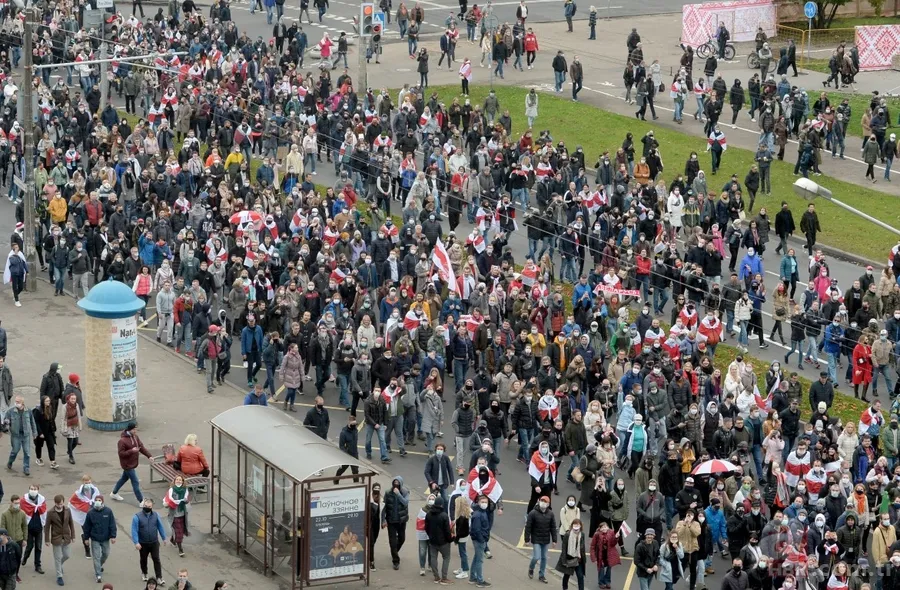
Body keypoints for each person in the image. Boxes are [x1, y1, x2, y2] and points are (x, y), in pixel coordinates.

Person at [110, 422, 152, 504]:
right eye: (134, 429)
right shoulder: (122, 441)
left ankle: (114, 493)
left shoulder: (135, 437)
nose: (135, 431)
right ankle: (141, 501)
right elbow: (121, 454)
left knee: (124, 478)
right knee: (135, 482)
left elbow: (141, 447)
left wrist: (149, 456)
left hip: (132, 463)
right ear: (129, 429)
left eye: (136, 429)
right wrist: (131, 451)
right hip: (127, 465)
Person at [130, 498, 166, 584]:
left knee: (156, 559)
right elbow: (134, 530)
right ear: (143, 505)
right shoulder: (137, 517)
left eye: (149, 506)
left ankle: (159, 577)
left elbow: (160, 527)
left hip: (154, 542)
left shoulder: (156, 515)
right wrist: (136, 542)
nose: (147, 508)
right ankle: (144, 573)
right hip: (143, 543)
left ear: (152, 506)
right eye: (145, 506)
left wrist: (164, 538)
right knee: (143, 559)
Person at [82, 495, 116, 583]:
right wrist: (86, 538)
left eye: (99, 500)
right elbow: (87, 527)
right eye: (96, 500)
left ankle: (99, 565)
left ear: (102, 501)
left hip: (105, 538)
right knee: (96, 557)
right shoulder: (90, 513)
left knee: (106, 554)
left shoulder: (108, 511)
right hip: (95, 539)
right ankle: (98, 575)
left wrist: (113, 536)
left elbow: (112, 524)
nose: (98, 501)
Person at [525, 495, 558, 583]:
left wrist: (554, 540)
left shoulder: (550, 514)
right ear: (539, 501)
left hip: (545, 539)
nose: (543, 503)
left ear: (548, 504)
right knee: (536, 557)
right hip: (536, 538)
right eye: (542, 501)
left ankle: (541, 575)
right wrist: (526, 539)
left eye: (545, 501)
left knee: (544, 558)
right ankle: (531, 568)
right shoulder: (533, 513)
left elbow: (553, 527)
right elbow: (528, 527)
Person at [45, 494, 76, 586]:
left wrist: (73, 536)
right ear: (55, 503)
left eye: (61, 504)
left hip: (66, 537)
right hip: (56, 538)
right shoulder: (50, 513)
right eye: (58, 504)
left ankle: (60, 565)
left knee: (67, 555)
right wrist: (47, 540)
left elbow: (71, 523)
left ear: (63, 502)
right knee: (57, 558)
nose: (60, 506)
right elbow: (47, 527)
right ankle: (59, 576)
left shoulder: (67, 510)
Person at [382, 476, 410, 570]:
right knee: (392, 541)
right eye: (395, 483)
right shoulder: (388, 493)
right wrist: (383, 520)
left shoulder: (405, 492)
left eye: (398, 483)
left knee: (402, 538)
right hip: (391, 520)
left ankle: (394, 551)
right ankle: (396, 561)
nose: (396, 485)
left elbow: (405, 502)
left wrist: (398, 495)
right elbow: (384, 507)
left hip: (401, 520)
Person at [424, 495, 453, 584]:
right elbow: (447, 531)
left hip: (432, 541)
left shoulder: (428, 514)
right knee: (446, 557)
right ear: (442, 504)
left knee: (433, 558)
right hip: (443, 542)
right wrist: (450, 539)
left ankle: (436, 577)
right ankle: (444, 578)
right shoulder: (444, 515)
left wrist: (430, 536)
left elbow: (426, 528)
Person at [20, 484, 47, 575]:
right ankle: (25, 557)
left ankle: (37, 565)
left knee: (38, 547)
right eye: (31, 489)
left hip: (39, 527)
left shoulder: (42, 500)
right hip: (29, 528)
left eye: (35, 489)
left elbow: (44, 513)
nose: (33, 490)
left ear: (38, 490)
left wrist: (44, 525)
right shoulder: (24, 500)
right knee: (30, 546)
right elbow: (21, 514)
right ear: (29, 489)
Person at [6, 395, 36, 475]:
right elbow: (6, 420)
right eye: (15, 401)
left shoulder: (28, 411)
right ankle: (10, 461)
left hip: (26, 435)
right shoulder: (11, 411)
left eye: (18, 402)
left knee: (27, 452)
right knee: (15, 451)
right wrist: (7, 423)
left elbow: (32, 422)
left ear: (22, 403)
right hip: (16, 435)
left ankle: (26, 467)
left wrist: (34, 433)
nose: (16, 403)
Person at [163, 476, 190, 557]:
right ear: (174, 481)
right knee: (179, 532)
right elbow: (167, 500)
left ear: (182, 481)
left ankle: (172, 539)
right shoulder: (171, 490)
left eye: (180, 480)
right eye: (177, 480)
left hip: (182, 513)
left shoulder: (185, 490)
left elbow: (187, 499)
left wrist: (185, 500)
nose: (178, 481)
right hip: (174, 515)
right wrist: (167, 504)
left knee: (180, 529)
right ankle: (180, 549)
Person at [557, 517, 586, 590]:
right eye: (575, 524)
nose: (576, 526)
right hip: (569, 558)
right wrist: (564, 560)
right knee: (567, 575)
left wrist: (583, 558)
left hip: (578, 559)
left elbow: (582, 547)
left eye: (578, 524)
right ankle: (565, 587)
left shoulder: (582, 534)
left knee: (580, 576)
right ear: (572, 525)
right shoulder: (567, 534)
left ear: (580, 526)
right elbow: (564, 548)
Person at [589, 520, 620, 590]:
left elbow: (613, 543)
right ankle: (601, 582)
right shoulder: (596, 535)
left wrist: (616, 537)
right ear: (599, 529)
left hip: (609, 555)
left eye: (605, 527)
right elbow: (592, 546)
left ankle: (607, 582)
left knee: (609, 569)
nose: (604, 528)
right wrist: (593, 558)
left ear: (608, 527)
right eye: (602, 527)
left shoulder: (611, 532)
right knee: (601, 569)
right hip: (600, 555)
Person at [469, 494, 492, 587]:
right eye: (482, 502)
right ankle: (480, 580)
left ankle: (472, 577)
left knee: (476, 558)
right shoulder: (478, 514)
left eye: (486, 502)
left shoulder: (482, 512)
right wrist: (482, 540)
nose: (484, 504)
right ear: (478, 503)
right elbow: (477, 529)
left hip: (480, 539)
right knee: (479, 560)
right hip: (479, 540)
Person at [33, 396, 58, 470]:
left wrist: (53, 429)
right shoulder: (38, 410)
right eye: (47, 401)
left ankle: (52, 461)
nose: (48, 402)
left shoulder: (50, 408)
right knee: (39, 445)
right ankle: (38, 458)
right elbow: (36, 422)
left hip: (49, 431)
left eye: (49, 401)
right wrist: (40, 433)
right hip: (41, 431)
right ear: (43, 402)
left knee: (51, 446)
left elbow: (51, 419)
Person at [335, 415, 361, 483]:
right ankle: (336, 480)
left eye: (355, 424)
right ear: (349, 423)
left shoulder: (355, 430)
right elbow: (341, 446)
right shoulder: (343, 433)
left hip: (355, 454)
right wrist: (346, 454)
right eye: (353, 424)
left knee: (355, 471)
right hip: (347, 454)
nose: (354, 426)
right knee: (342, 469)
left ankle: (356, 484)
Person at [3, 242, 28, 307]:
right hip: (14, 273)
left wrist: (26, 270)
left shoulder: (20, 253)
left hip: (21, 272)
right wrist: (16, 255)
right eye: (16, 247)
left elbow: (23, 262)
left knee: (21, 287)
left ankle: (15, 294)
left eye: (18, 247)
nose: (17, 248)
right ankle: (17, 300)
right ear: (13, 248)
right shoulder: (11, 255)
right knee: (15, 286)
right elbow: (13, 262)